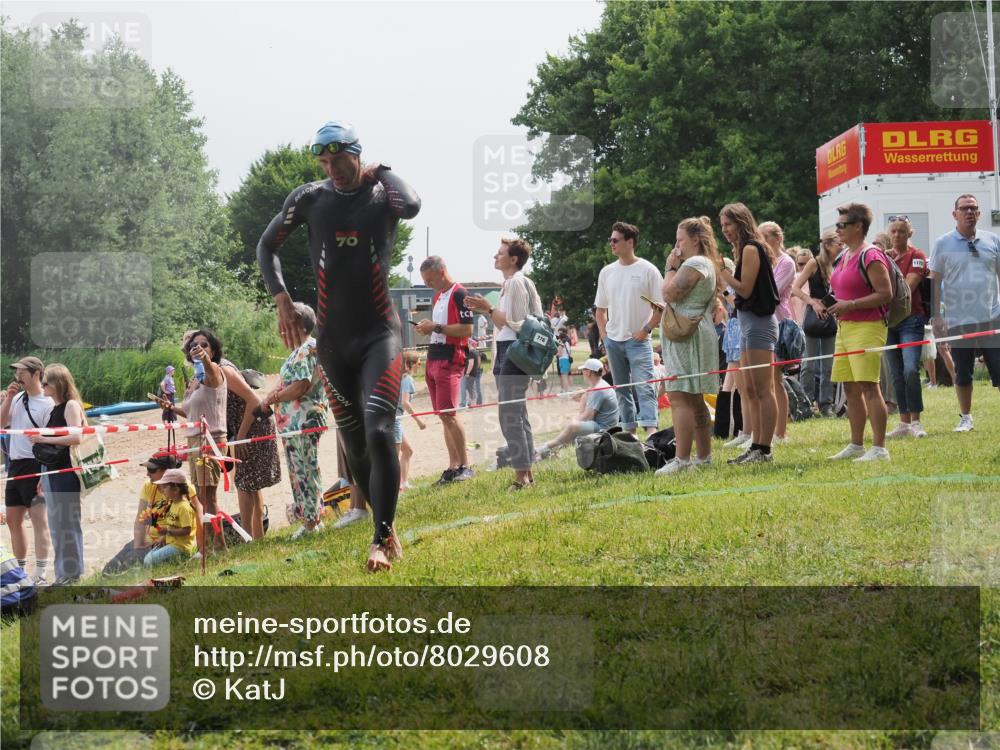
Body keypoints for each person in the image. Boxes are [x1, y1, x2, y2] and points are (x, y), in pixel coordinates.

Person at [257, 120, 420, 572]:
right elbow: (266, 246)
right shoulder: (310, 198)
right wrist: (282, 299)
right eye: (325, 163)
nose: (333, 170)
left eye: (340, 160)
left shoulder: (381, 194)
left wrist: (380, 170)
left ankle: (380, 538)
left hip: (379, 336)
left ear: (357, 154)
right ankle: (386, 527)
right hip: (332, 342)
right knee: (354, 444)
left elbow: (411, 205)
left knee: (380, 430)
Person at [465, 238, 544, 490]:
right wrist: (486, 309)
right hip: (505, 351)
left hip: (514, 352)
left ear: (513, 259)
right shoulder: (509, 284)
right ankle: (527, 474)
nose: (495, 257)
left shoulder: (517, 282)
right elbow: (505, 323)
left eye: (500, 253)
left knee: (510, 415)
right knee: (517, 414)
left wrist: (488, 310)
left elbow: (519, 325)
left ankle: (521, 477)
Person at [826, 202, 894, 462]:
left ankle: (879, 448)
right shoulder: (844, 255)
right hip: (844, 327)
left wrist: (850, 305)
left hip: (867, 327)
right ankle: (856, 444)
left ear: (858, 226)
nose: (837, 230)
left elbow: (885, 294)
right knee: (850, 387)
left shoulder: (871, 255)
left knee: (869, 386)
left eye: (842, 225)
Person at [656, 216, 722, 475]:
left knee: (679, 395)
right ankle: (703, 457)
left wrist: (670, 268)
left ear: (695, 239)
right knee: (694, 398)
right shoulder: (705, 263)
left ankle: (682, 460)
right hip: (693, 333)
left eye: (680, 240)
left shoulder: (695, 263)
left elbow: (668, 293)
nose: (676, 246)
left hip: (688, 336)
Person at [929, 194, 1000, 432]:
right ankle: (966, 417)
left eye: (973, 208)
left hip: (992, 317)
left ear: (979, 213)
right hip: (959, 319)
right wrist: (936, 316)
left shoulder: (993, 240)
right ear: (955, 214)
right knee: (963, 373)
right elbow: (935, 281)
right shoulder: (942, 243)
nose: (969, 212)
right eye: (964, 208)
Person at [261, 303, 329, 540]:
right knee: (299, 470)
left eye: (284, 323)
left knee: (305, 470)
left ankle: (312, 521)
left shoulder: (307, 349)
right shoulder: (299, 350)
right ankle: (311, 519)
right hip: (293, 424)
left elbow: (300, 386)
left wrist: (273, 398)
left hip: (303, 421)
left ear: (297, 323)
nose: (280, 329)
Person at [718, 204, 779, 465]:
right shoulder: (744, 250)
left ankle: (764, 448)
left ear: (741, 222)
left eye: (728, 224)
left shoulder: (752, 249)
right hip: (746, 324)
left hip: (759, 325)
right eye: (722, 225)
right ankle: (755, 444)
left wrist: (724, 273)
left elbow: (744, 289)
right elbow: (740, 295)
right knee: (751, 389)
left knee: (763, 389)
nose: (724, 230)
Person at [157, 331, 228, 546]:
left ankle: (219, 545)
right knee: (199, 495)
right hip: (195, 440)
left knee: (208, 497)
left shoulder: (214, 370)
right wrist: (171, 408)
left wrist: (204, 358)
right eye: (194, 346)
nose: (199, 348)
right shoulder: (196, 379)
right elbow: (191, 414)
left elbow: (210, 369)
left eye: (204, 345)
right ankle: (209, 544)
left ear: (213, 350)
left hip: (210, 440)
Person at [594, 221, 664, 435]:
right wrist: (605, 337)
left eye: (615, 240)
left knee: (645, 387)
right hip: (613, 342)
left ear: (630, 242)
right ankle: (629, 435)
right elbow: (600, 310)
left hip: (639, 341)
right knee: (622, 390)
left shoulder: (648, 270)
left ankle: (651, 434)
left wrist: (646, 330)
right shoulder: (606, 272)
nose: (611, 243)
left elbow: (661, 308)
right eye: (610, 240)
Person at [415, 255, 475, 484]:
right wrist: (429, 328)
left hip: (451, 358)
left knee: (449, 414)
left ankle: (466, 465)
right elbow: (440, 328)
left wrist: (436, 327)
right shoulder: (438, 295)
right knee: (443, 415)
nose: (428, 285)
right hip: (434, 356)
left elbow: (467, 330)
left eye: (429, 280)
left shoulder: (460, 293)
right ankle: (453, 465)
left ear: (441, 272)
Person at [28, 364, 85, 584]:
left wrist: (43, 438)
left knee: (67, 523)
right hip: (51, 471)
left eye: (46, 383)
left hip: (65, 472)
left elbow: (76, 437)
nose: (42, 387)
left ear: (58, 383)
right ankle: (63, 573)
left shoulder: (71, 405)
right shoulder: (55, 407)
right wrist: (43, 476)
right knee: (56, 525)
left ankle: (72, 573)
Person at [218, 344, 280, 541]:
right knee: (251, 484)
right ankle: (257, 537)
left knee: (244, 483)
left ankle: (247, 537)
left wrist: (241, 437)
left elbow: (254, 401)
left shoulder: (223, 369)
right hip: (246, 427)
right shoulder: (209, 375)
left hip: (253, 426)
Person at [0, 357, 53, 585]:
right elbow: (1, 424)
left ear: (36, 374)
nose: (18, 376)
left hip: (36, 463)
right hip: (15, 464)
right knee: (13, 519)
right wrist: (8, 398)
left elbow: (52, 440)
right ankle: (21, 571)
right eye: (17, 372)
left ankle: (40, 573)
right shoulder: (17, 398)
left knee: (39, 520)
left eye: (22, 372)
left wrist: (44, 471)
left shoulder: (47, 402)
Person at [883, 215, 930, 439]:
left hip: (911, 319)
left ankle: (916, 421)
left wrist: (881, 294)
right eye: (893, 231)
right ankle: (903, 422)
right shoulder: (884, 257)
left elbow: (908, 288)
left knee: (910, 369)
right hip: (888, 321)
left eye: (901, 231)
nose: (896, 235)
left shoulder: (917, 255)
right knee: (896, 373)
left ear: (909, 233)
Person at [792, 231, 840, 417]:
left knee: (828, 365)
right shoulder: (814, 263)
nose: (842, 247)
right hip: (814, 316)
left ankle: (826, 404)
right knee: (809, 364)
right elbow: (796, 288)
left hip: (832, 315)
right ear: (827, 245)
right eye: (838, 244)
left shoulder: (839, 263)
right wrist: (813, 303)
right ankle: (806, 403)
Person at [535, 358, 619, 459]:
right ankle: (553, 450)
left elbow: (588, 416)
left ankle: (544, 449)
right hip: (605, 424)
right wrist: (584, 396)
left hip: (604, 428)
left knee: (573, 426)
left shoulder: (598, 390)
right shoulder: (599, 385)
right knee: (572, 429)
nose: (582, 373)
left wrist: (572, 423)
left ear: (589, 373)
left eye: (583, 370)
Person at [759, 221, 797, 444]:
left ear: (777, 238)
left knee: (776, 379)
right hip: (764, 322)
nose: (762, 242)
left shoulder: (787, 262)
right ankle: (767, 430)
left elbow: (773, 291)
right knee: (766, 381)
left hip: (780, 322)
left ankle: (780, 432)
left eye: (765, 237)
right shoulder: (764, 261)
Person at [143, 469, 198, 567]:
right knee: (148, 558)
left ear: (176, 489)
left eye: (164, 487)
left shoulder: (184, 507)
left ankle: (181, 560)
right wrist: (163, 538)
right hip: (172, 543)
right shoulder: (173, 504)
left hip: (181, 547)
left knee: (149, 561)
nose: (162, 490)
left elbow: (187, 530)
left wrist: (167, 532)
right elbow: (172, 525)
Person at [396, 351, 426, 491]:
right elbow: (405, 403)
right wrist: (419, 421)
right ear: (410, 364)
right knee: (394, 456)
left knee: (407, 451)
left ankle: (404, 483)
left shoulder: (398, 377)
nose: (420, 365)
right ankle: (396, 487)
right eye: (419, 362)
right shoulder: (407, 379)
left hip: (395, 419)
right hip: (394, 420)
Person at [460, 341, 483, 409]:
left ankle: (471, 404)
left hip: (470, 374)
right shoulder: (476, 351)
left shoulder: (471, 352)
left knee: (470, 389)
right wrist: (476, 370)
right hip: (474, 373)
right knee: (472, 388)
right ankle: (472, 404)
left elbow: (471, 364)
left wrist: (467, 373)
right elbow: (479, 362)